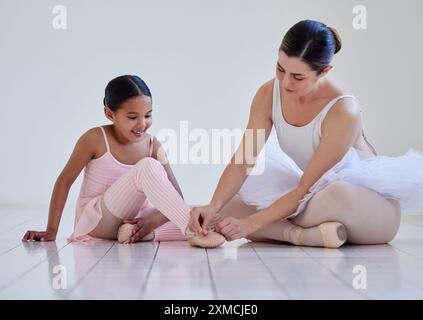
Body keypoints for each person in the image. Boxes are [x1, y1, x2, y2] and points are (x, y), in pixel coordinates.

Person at [189, 20, 423, 248]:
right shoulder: (268, 93)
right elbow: (242, 162)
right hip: (313, 196)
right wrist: (213, 206)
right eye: (281, 69)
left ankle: (283, 231)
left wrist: (249, 224)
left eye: (298, 77)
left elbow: (304, 191)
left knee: (334, 194)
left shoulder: (343, 111)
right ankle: (301, 235)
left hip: (365, 207)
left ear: (324, 71)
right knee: (229, 204)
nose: (286, 82)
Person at [22, 75, 225, 248]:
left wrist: (153, 221)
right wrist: (51, 230)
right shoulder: (95, 138)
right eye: (132, 117)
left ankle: (136, 233)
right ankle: (193, 232)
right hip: (98, 221)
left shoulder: (154, 145)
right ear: (110, 114)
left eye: (148, 115)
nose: (142, 124)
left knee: (205, 214)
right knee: (148, 167)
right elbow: (64, 181)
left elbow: (176, 197)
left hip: (134, 219)